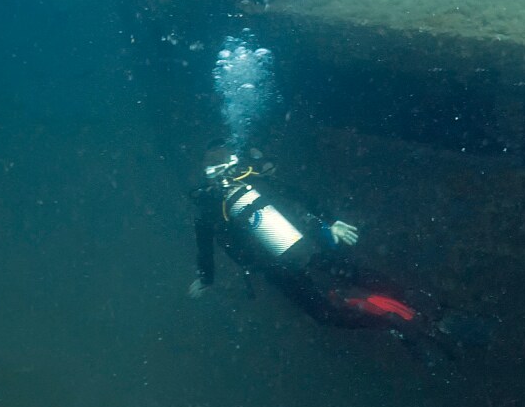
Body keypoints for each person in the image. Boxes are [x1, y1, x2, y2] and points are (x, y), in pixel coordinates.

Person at [189, 142, 446, 352]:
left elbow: (205, 247)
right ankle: (412, 298)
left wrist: (206, 279)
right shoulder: (254, 181)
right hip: (300, 245)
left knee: (323, 313)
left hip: (273, 265)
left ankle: (389, 321)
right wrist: (330, 220)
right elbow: (295, 195)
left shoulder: (208, 208)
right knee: (351, 272)